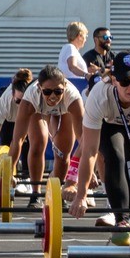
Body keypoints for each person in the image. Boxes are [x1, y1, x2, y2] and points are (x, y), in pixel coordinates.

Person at [70, 53, 130, 227]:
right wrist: (81, 196)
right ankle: (120, 219)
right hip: (111, 124)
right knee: (116, 157)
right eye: (125, 82)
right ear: (114, 80)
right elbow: (90, 152)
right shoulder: (99, 95)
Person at [11, 66, 85, 195]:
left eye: (58, 91)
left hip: (64, 110)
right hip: (38, 110)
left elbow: (85, 142)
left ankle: (58, 192)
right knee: (37, 145)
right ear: (40, 88)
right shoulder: (30, 98)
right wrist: (9, 172)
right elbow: (18, 140)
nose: (53, 96)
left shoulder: (73, 98)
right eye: (47, 92)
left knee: (63, 153)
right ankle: (35, 193)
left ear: (65, 87)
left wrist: (81, 174)